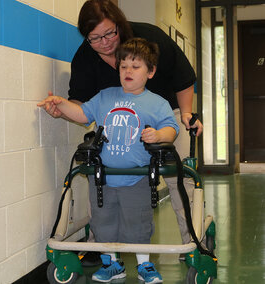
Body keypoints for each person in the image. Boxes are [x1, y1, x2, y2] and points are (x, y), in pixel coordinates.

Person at [46, 0, 203, 257]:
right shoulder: (85, 57)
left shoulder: (149, 38)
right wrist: (61, 107)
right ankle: (102, 247)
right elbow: (81, 105)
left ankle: (193, 241)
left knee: (179, 177)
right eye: (95, 38)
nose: (105, 42)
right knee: (101, 175)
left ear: (119, 25)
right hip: (122, 123)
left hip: (165, 114)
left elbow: (183, 76)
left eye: (109, 33)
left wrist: (185, 113)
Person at [39, 38, 179, 284]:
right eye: (124, 66)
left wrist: (158, 135)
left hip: (137, 177)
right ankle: (112, 265)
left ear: (151, 71)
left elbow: (171, 129)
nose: (128, 71)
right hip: (102, 177)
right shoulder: (105, 97)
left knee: (138, 224)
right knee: (103, 223)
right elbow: (82, 114)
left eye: (136, 67)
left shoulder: (157, 103)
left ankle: (145, 264)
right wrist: (61, 103)